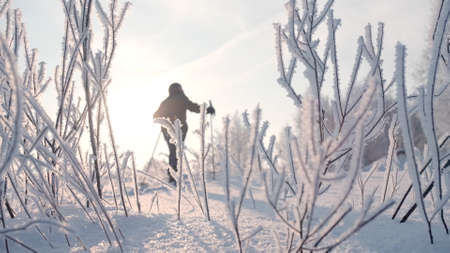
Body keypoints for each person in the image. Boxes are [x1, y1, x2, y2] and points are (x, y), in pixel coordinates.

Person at [153, 82, 215, 184]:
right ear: (179, 89)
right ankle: (174, 175)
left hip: (166, 130)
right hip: (180, 129)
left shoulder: (165, 102)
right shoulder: (181, 98)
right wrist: (207, 110)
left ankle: (173, 175)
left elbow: (155, 115)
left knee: (172, 150)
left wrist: (166, 118)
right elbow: (194, 108)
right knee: (177, 150)